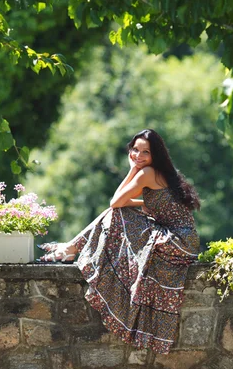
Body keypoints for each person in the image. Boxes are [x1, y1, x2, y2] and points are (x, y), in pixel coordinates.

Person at [38, 129, 200, 354]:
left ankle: (70, 248)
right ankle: (70, 248)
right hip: (185, 240)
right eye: (135, 150)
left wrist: (133, 169)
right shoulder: (164, 173)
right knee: (118, 213)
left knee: (116, 214)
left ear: (156, 155)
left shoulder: (146, 173)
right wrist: (138, 201)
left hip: (177, 241)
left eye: (146, 152)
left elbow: (115, 202)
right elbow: (136, 202)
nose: (139, 156)